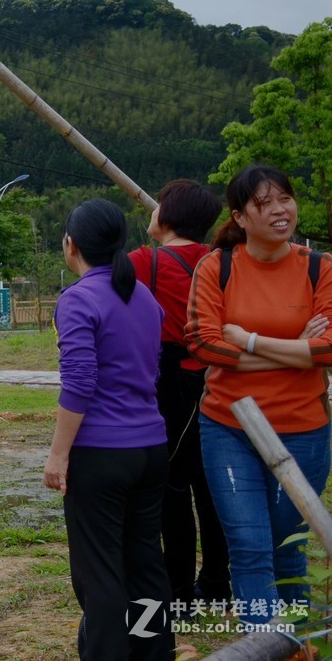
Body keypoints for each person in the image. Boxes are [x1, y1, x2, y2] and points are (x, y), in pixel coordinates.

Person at [185, 164, 332, 625]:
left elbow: (329, 348)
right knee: (249, 548)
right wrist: (297, 352)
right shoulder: (218, 267)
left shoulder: (318, 267)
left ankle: (297, 646)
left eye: (284, 198)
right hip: (229, 427)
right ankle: (264, 648)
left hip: (304, 427)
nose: (278, 210)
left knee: (287, 546)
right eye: (263, 204)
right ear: (241, 217)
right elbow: (204, 342)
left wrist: (248, 341)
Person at [45, 198, 173, 660]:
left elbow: (79, 382)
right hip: (150, 450)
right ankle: (154, 653)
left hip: (100, 456)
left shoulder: (78, 298)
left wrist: (59, 455)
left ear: (71, 245)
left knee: (100, 574)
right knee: (145, 565)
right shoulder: (143, 296)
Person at [127, 180, 230, 607]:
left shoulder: (141, 262)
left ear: (167, 216)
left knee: (173, 487)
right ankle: (218, 585)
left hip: (168, 381)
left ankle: (179, 592)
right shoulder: (224, 262)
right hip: (221, 379)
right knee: (213, 487)